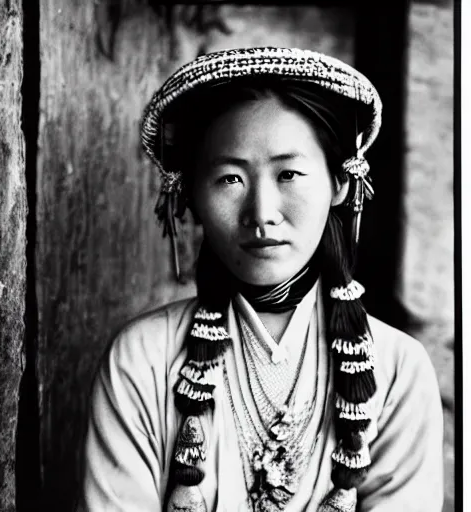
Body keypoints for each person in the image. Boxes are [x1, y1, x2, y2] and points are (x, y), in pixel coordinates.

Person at [78, 47, 444, 512]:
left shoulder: (398, 372)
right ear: (190, 193)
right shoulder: (142, 360)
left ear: (340, 183)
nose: (262, 215)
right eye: (230, 179)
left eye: (289, 173)